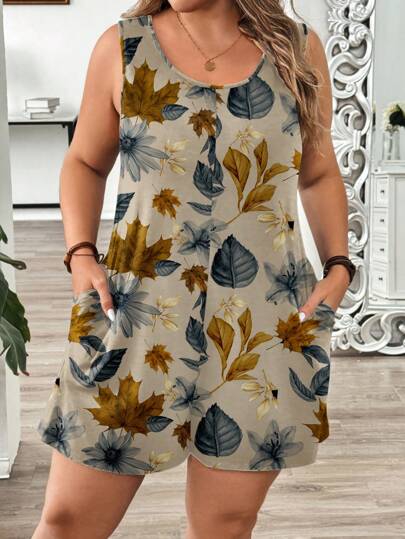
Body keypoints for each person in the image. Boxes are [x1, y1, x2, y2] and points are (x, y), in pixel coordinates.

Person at [33, 1, 354, 537]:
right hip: (135, 316)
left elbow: (318, 172)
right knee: (70, 521)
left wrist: (339, 264)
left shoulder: (296, 50)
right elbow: (85, 161)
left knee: (225, 524)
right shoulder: (124, 47)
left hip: (262, 324)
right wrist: (80, 253)